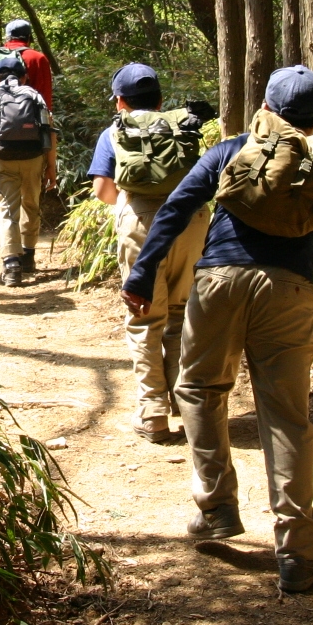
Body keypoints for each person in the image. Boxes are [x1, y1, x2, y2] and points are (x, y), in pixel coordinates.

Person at [121, 65, 313, 594]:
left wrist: (142, 273)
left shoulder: (230, 151)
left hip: (218, 284)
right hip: (288, 291)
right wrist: (312, 263)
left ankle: (217, 509)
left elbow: (177, 208)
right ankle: (297, 554)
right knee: (287, 415)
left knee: (200, 390)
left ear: (265, 108)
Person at [87, 63, 210, 443]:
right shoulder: (182, 126)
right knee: (180, 313)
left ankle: (153, 414)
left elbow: (103, 192)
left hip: (141, 224)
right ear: (160, 100)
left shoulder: (114, 131)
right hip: (191, 222)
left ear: (120, 102)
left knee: (145, 318)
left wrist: (132, 203)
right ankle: (188, 408)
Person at [0, 53, 57, 286]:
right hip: (33, 158)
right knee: (31, 203)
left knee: (6, 208)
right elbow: (49, 133)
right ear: (24, 77)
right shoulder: (34, 95)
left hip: (2, 159)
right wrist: (51, 166)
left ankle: (11, 264)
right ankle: (28, 255)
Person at [0, 19, 53, 111]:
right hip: (26, 115)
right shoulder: (38, 58)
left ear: (7, 37)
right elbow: (45, 95)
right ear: (29, 38)